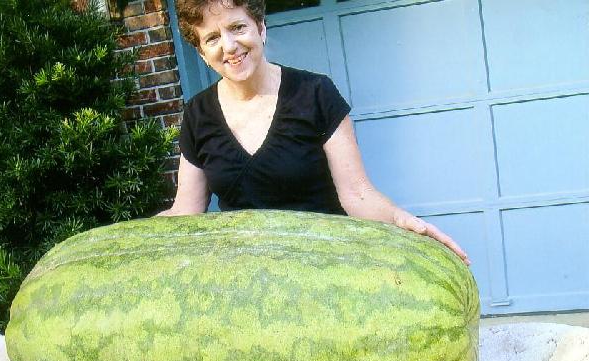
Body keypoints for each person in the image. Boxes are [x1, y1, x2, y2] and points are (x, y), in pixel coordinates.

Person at [158, 0, 470, 265]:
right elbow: (187, 211)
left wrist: (402, 219)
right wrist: (126, 240)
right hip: (249, 282)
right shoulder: (198, 114)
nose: (229, 45)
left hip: (328, 268)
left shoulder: (315, 93)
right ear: (201, 53)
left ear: (260, 28)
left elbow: (357, 195)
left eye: (237, 27)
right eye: (212, 38)